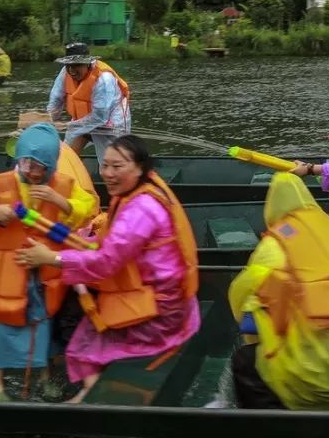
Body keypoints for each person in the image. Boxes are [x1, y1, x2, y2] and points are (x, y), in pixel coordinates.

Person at [16, 135, 200, 404]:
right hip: (158, 291)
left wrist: (53, 258)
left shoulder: (142, 208)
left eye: (118, 167)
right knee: (78, 300)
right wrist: (70, 244)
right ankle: (88, 386)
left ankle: (91, 392)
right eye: (105, 166)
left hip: (161, 308)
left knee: (81, 325)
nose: (109, 174)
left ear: (140, 168)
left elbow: (106, 262)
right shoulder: (137, 193)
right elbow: (108, 244)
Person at [228, 172, 329, 409]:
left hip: (326, 376)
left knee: (245, 360)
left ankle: (270, 428)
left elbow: (242, 296)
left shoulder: (277, 241)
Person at [0, 123, 98, 401]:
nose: (33, 172)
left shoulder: (62, 185)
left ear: (51, 165)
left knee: (41, 322)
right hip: (6, 273)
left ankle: (44, 377)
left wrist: (61, 201)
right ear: (18, 159)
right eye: (27, 164)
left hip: (41, 273)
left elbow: (88, 208)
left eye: (40, 167)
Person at [46, 42, 131, 162]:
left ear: (87, 63)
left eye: (77, 65)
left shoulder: (103, 79)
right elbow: (55, 101)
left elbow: (100, 117)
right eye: (68, 65)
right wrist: (48, 122)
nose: (72, 70)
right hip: (81, 120)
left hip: (109, 123)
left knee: (109, 164)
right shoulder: (65, 73)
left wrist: (66, 125)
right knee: (65, 155)